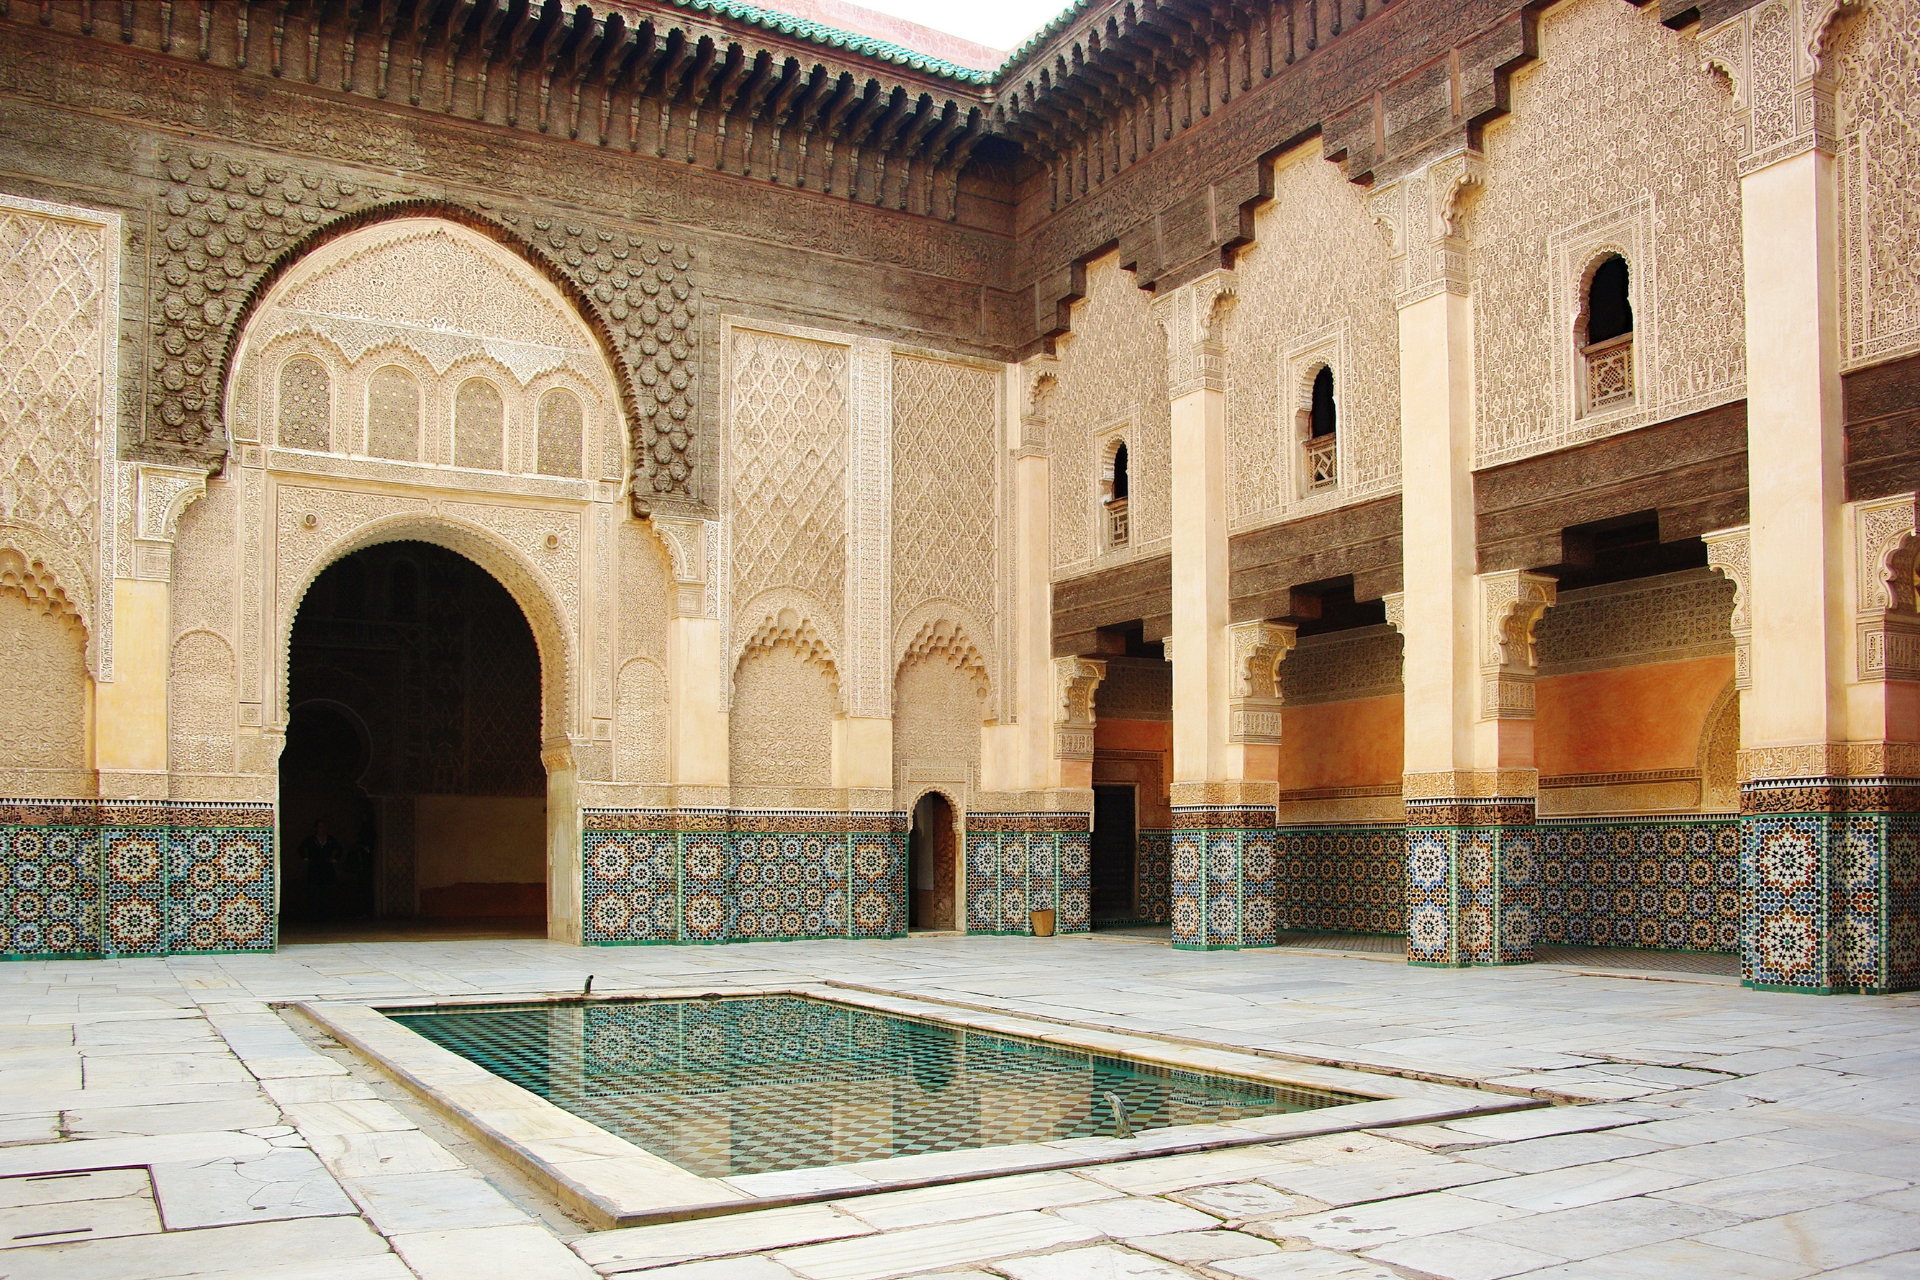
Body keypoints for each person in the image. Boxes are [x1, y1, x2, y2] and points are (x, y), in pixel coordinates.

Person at [298, 820, 344, 920]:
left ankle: (325, 915)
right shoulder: (311, 840)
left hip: (326, 869)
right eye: (320, 827)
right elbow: (300, 848)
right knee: (313, 892)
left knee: (326, 892)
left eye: (323, 827)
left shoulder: (330, 840)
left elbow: (340, 849)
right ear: (316, 829)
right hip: (314, 868)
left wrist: (334, 859)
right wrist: (305, 858)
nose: (322, 829)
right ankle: (313, 916)